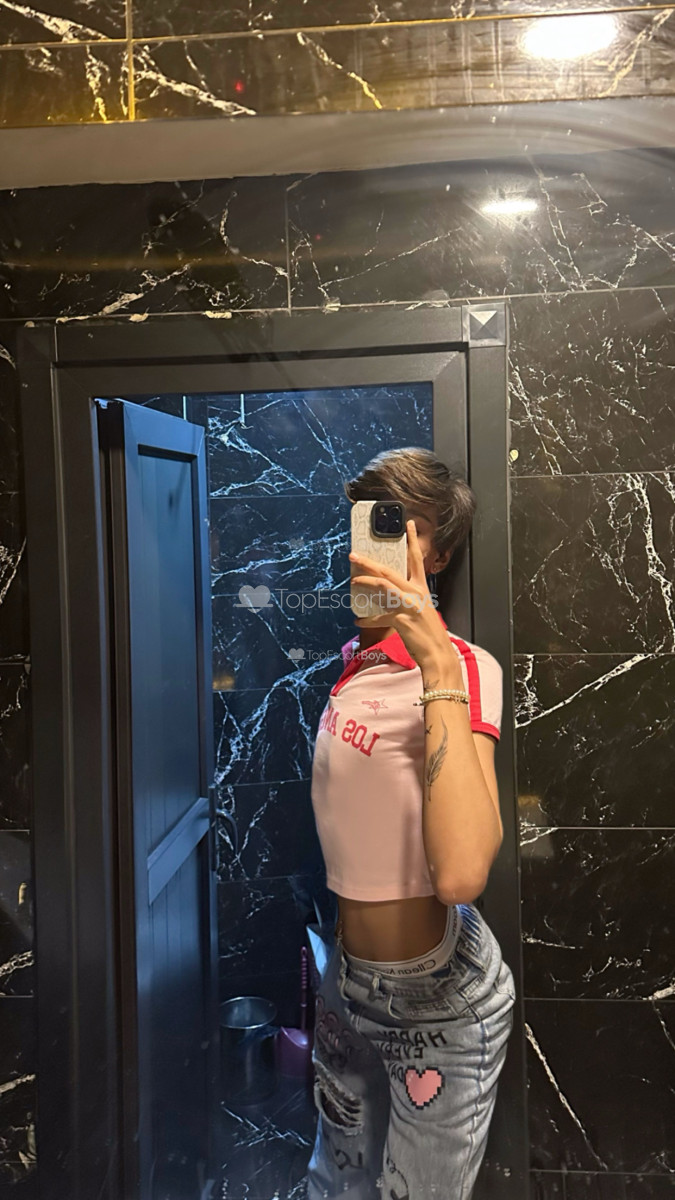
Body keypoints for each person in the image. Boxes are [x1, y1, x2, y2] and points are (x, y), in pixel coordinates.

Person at [306, 447, 516, 1200]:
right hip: (346, 983)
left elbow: (461, 875)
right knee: (335, 1186)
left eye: (405, 528)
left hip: (438, 1003)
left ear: (440, 554)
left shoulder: (465, 667)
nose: (378, 545)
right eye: (371, 522)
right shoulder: (353, 664)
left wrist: (437, 667)